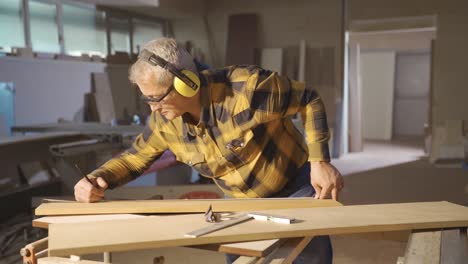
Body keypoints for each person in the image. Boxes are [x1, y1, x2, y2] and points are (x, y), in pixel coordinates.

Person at [74, 37, 344, 264]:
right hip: (238, 202)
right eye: (147, 99)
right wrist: (99, 178)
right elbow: (135, 158)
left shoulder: (247, 90)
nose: (152, 108)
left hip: (294, 186)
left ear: (187, 83)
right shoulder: (164, 123)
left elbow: (308, 98)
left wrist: (320, 160)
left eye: (156, 98)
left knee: (309, 259)